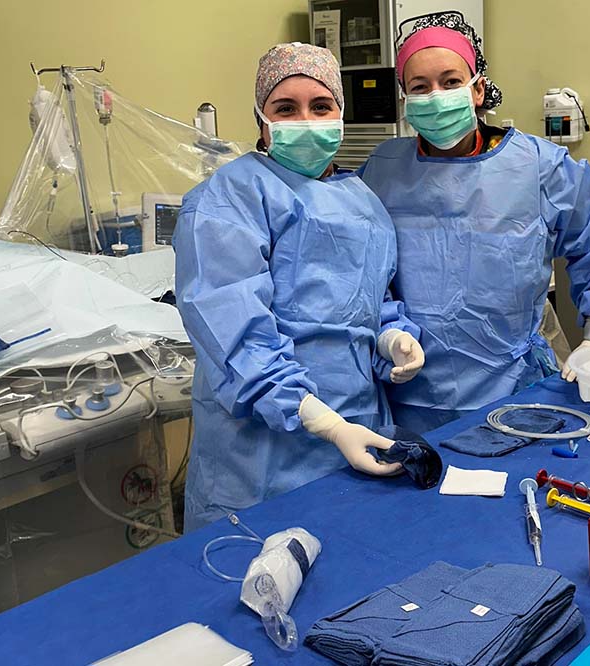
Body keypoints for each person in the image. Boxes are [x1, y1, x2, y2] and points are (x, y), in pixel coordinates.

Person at [174, 43, 425, 531]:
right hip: (261, 459)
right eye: (285, 108)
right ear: (262, 120)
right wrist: (326, 424)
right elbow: (238, 341)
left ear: (340, 113)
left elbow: (371, 301)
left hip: (360, 432)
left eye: (321, 106)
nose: (305, 120)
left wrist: (391, 339)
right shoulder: (227, 201)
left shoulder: (361, 201)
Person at [358, 12, 590, 434]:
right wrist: (390, 333)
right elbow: (368, 275)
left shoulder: (538, 165)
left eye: (450, 82)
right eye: (420, 87)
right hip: (411, 391)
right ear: (405, 100)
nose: (437, 96)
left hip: (514, 388)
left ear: (477, 88)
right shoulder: (382, 171)